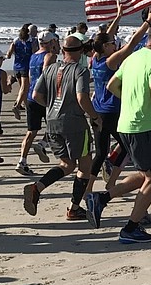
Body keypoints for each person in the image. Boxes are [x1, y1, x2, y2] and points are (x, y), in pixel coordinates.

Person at [85, 22, 151, 244]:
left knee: (147, 174)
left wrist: (131, 100)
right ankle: (131, 227)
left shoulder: (132, 57)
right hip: (143, 127)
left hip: (125, 125)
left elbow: (112, 85)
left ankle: (101, 198)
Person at [22, 36, 98, 220]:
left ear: (63, 50)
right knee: (85, 165)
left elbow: (36, 94)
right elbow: (82, 97)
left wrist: (51, 106)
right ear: (80, 52)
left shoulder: (50, 68)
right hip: (74, 123)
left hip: (52, 122)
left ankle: (37, 187)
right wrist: (95, 116)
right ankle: (73, 208)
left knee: (67, 164)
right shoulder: (80, 70)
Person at [86, 4, 151, 193]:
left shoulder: (95, 58)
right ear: (105, 47)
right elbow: (132, 43)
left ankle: (88, 188)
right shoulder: (110, 62)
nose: (114, 44)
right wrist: (147, 24)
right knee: (126, 148)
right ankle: (111, 183)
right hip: (112, 112)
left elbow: (106, 37)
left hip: (98, 111)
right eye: (111, 44)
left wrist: (118, 16)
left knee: (100, 154)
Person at [15, 31, 58, 175]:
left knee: (31, 131)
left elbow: (27, 79)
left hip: (30, 97)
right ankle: (43, 144)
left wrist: (22, 99)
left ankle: (22, 161)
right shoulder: (50, 56)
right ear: (51, 42)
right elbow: (46, 75)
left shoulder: (33, 56)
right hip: (43, 97)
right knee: (56, 126)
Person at [7, 25, 34, 119]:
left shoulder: (15, 41)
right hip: (25, 67)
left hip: (16, 67)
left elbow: (9, 54)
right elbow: (34, 53)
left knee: (24, 90)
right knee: (24, 88)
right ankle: (17, 105)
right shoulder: (31, 42)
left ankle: (28, 110)